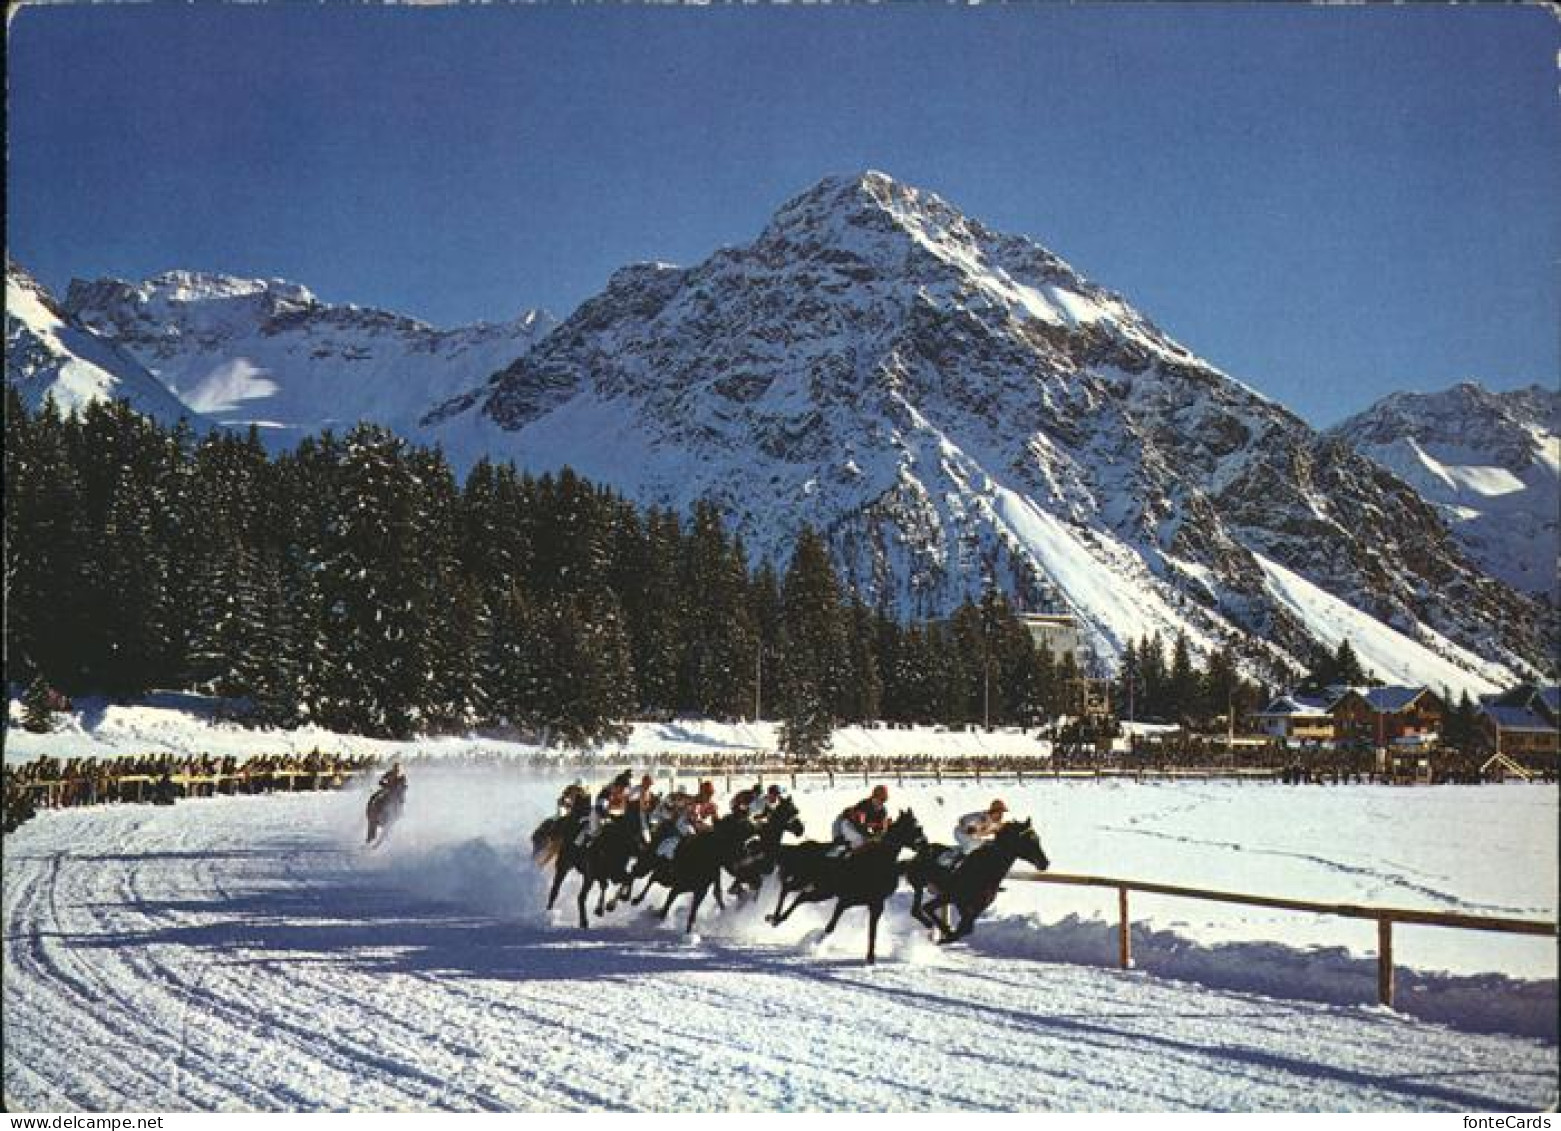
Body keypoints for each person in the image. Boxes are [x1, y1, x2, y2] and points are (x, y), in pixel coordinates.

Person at [657, 780, 717, 860]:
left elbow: (715, 819)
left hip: (697, 823)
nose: (710, 797)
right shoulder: (691, 801)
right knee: (690, 834)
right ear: (702, 792)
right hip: (685, 822)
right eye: (708, 794)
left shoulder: (711, 805)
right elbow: (691, 818)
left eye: (711, 794)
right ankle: (678, 855)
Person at [829, 784, 890, 856]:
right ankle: (842, 855)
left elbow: (880, 829)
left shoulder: (883, 811)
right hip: (844, 823)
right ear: (873, 797)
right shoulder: (864, 806)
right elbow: (859, 826)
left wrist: (878, 835)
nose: (881, 803)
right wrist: (870, 836)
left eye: (884, 800)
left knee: (870, 842)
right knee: (859, 841)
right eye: (880, 799)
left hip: (857, 825)